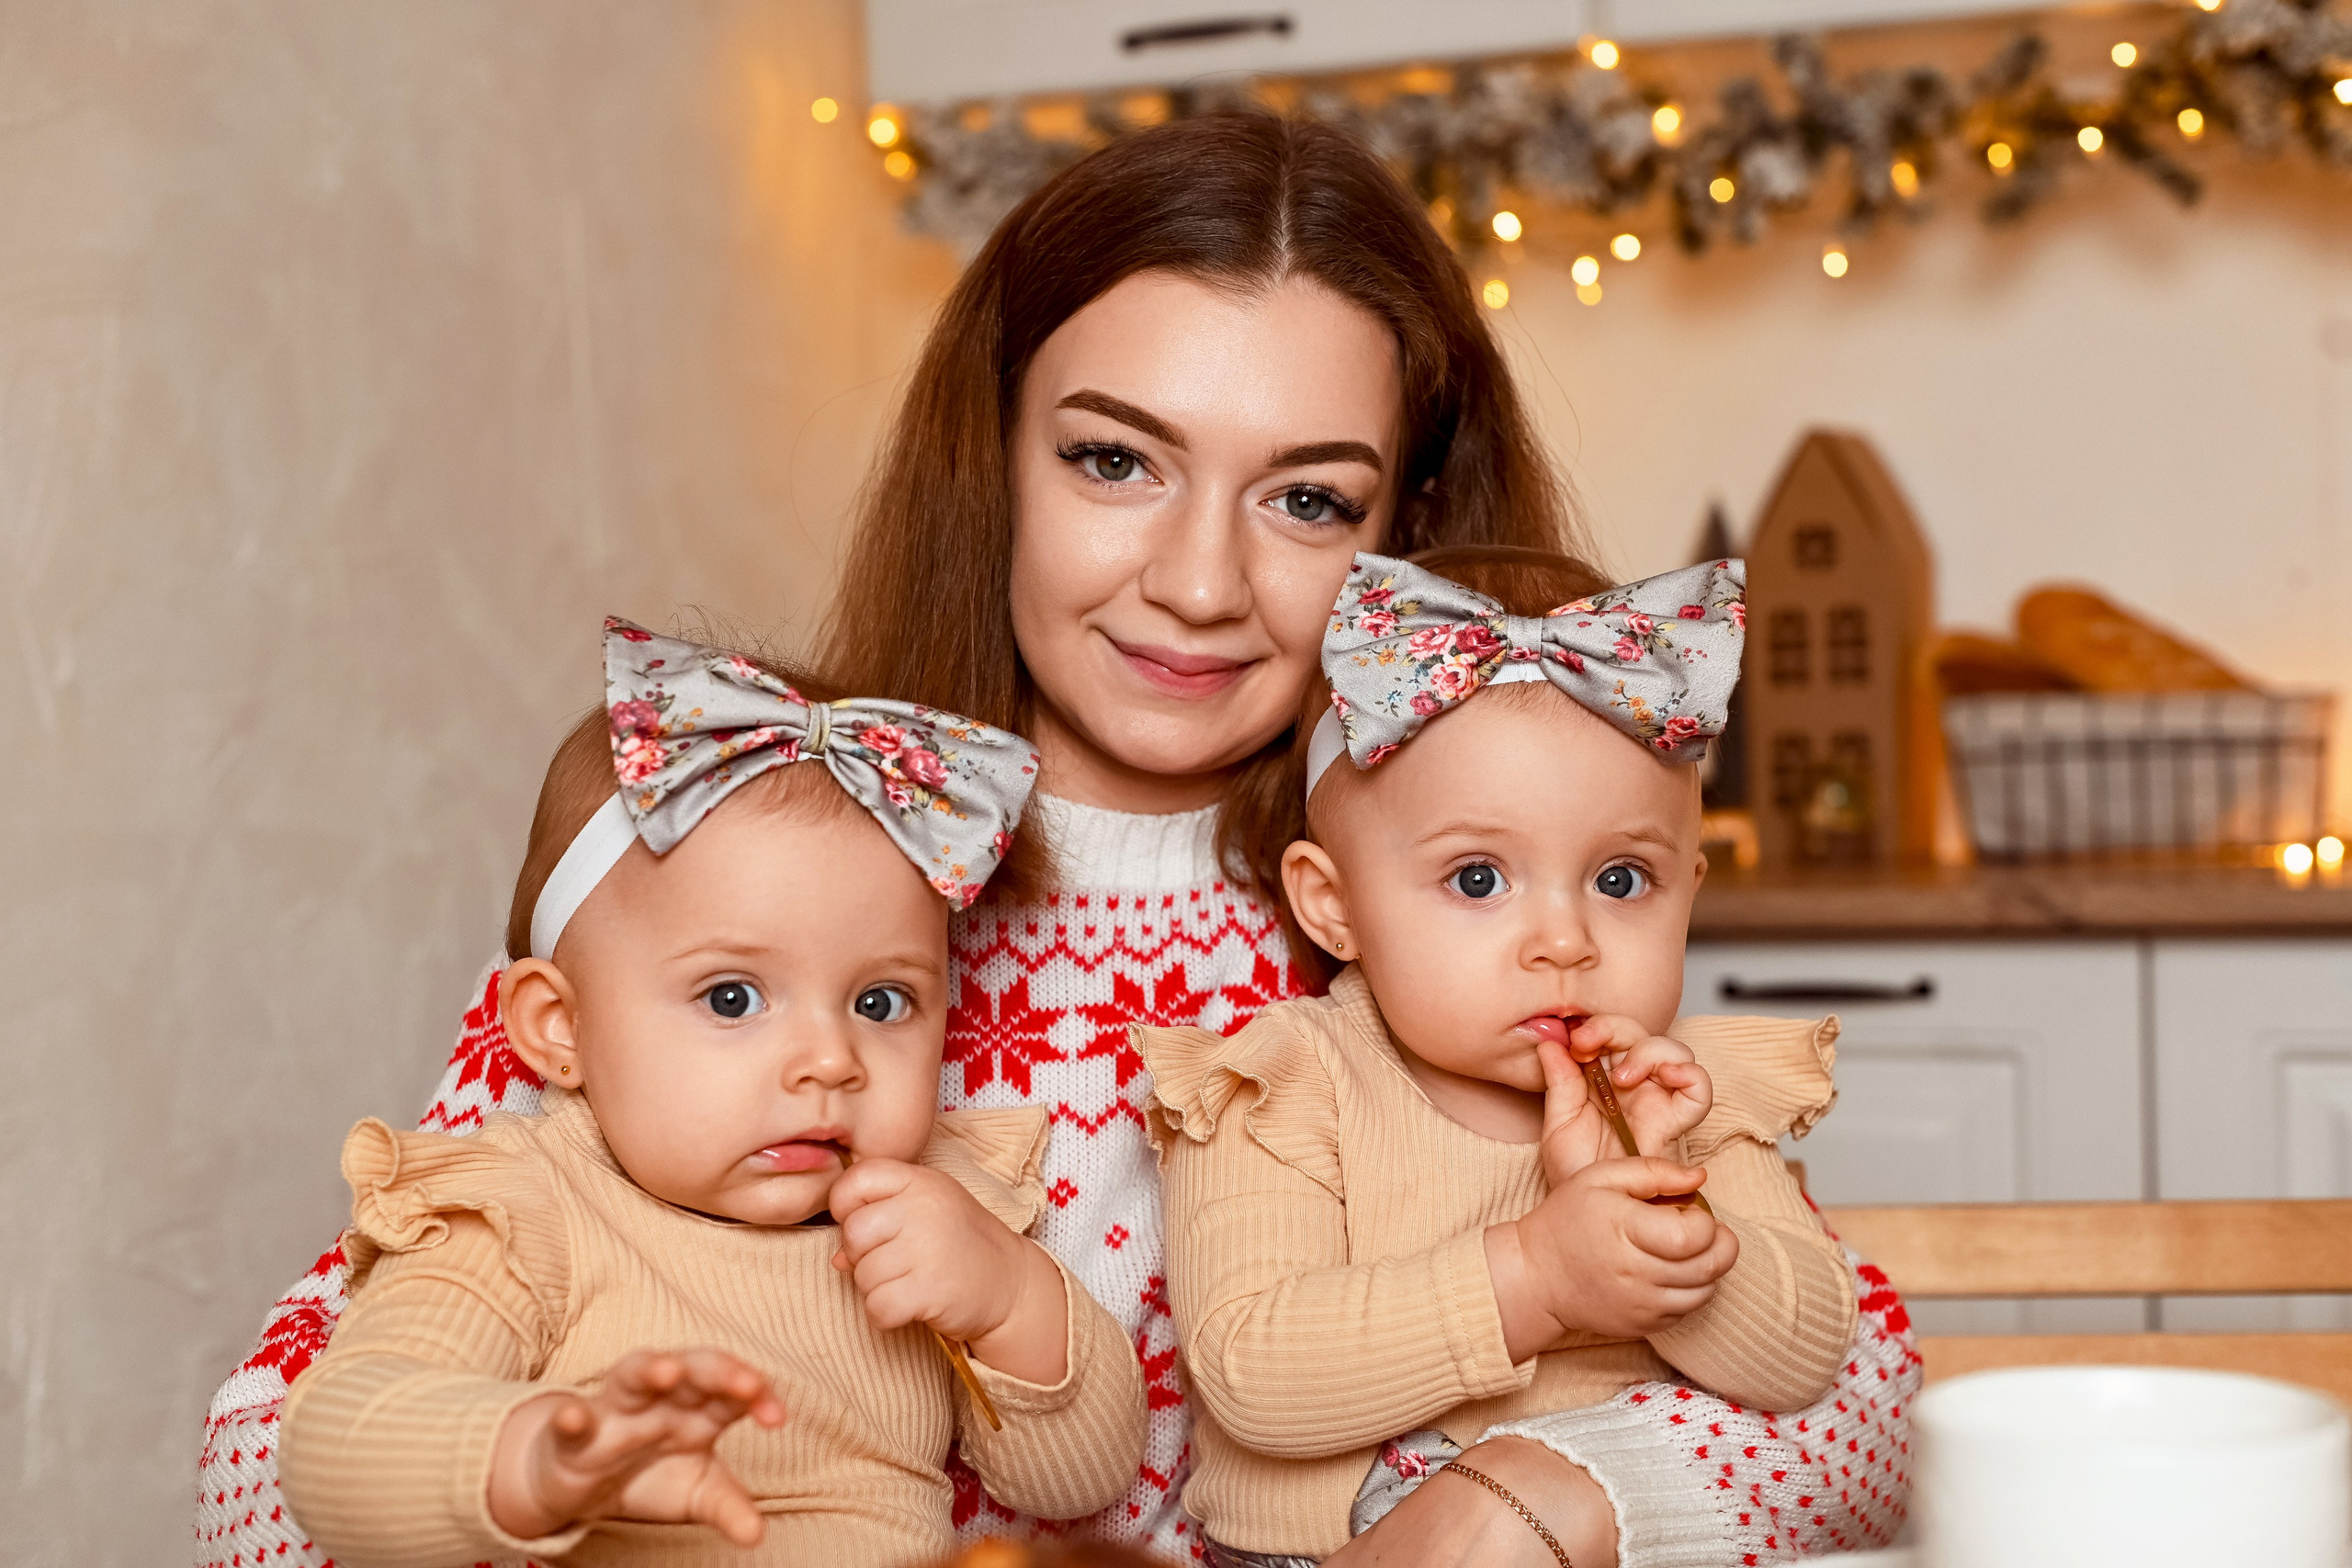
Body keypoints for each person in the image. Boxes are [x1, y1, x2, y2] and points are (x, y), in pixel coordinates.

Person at [199, 114, 1913, 1566]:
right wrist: (550, 1476)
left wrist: (1540, 1496)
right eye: (1114, 461)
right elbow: (264, 1461)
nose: (1199, 580)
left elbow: (1859, 1400)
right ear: (996, 458)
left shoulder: (1467, 906)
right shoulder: (771, 856)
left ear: (1408, 533)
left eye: (1308, 498)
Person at [278, 621, 1146, 1566]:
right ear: (560, 1027)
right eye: (732, 998)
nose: (830, 1061)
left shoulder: (931, 1207)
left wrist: (1010, 1302)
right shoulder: (529, 1207)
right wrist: (534, 1458)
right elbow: (339, 1442)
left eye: (881, 1001)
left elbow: (1079, 1485)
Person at [1138, 547, 1917, 1568]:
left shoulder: (1676, 1093)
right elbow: (1252, 1371)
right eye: (1476, 879)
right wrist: (1537, 1278)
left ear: (1691, 888)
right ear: (1333, 905)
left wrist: (1673, 1237)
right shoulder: (1286, 1082)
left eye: (1621, 880)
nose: (1564, 941)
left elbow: (1803, 1359)